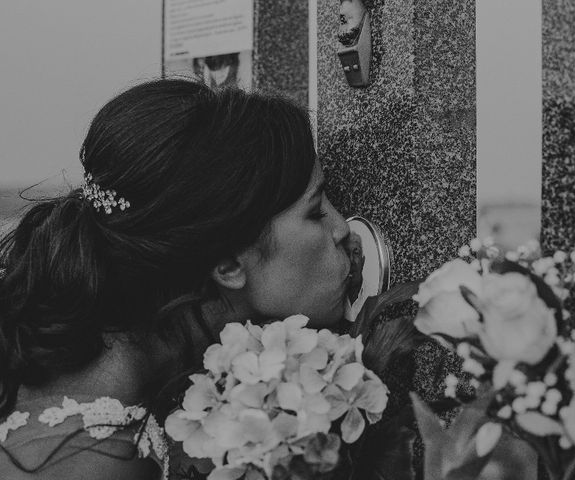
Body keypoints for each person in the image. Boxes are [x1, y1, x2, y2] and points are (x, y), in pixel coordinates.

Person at [0, 79, 354, 479]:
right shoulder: (99, 463)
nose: (344, 229)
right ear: (227, 265)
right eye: (315, 212)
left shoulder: (80, 372)